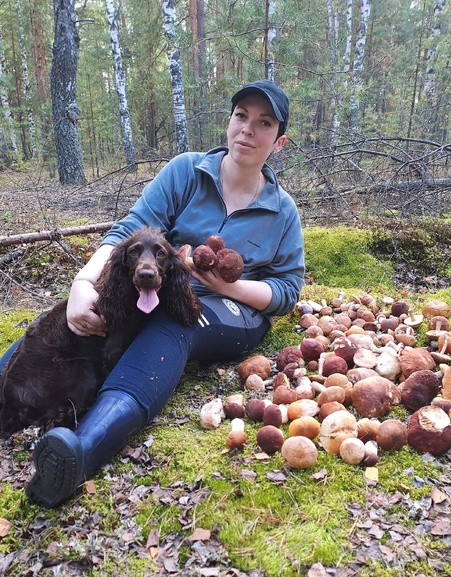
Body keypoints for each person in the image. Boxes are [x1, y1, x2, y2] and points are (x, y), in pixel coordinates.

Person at [7, 79, 305, 508]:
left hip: (234, 313)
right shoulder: (186, 171)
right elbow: (130, 230)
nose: (247, 130)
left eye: (263, 123)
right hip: (162, 289)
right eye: (241, 117)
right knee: (73, 315)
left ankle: (81, 453)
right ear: (229, 122)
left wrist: (229, 285)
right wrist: (82, 284)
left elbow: (286, 289)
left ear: (278, 142)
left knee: (176, 322)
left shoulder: (283, 211)